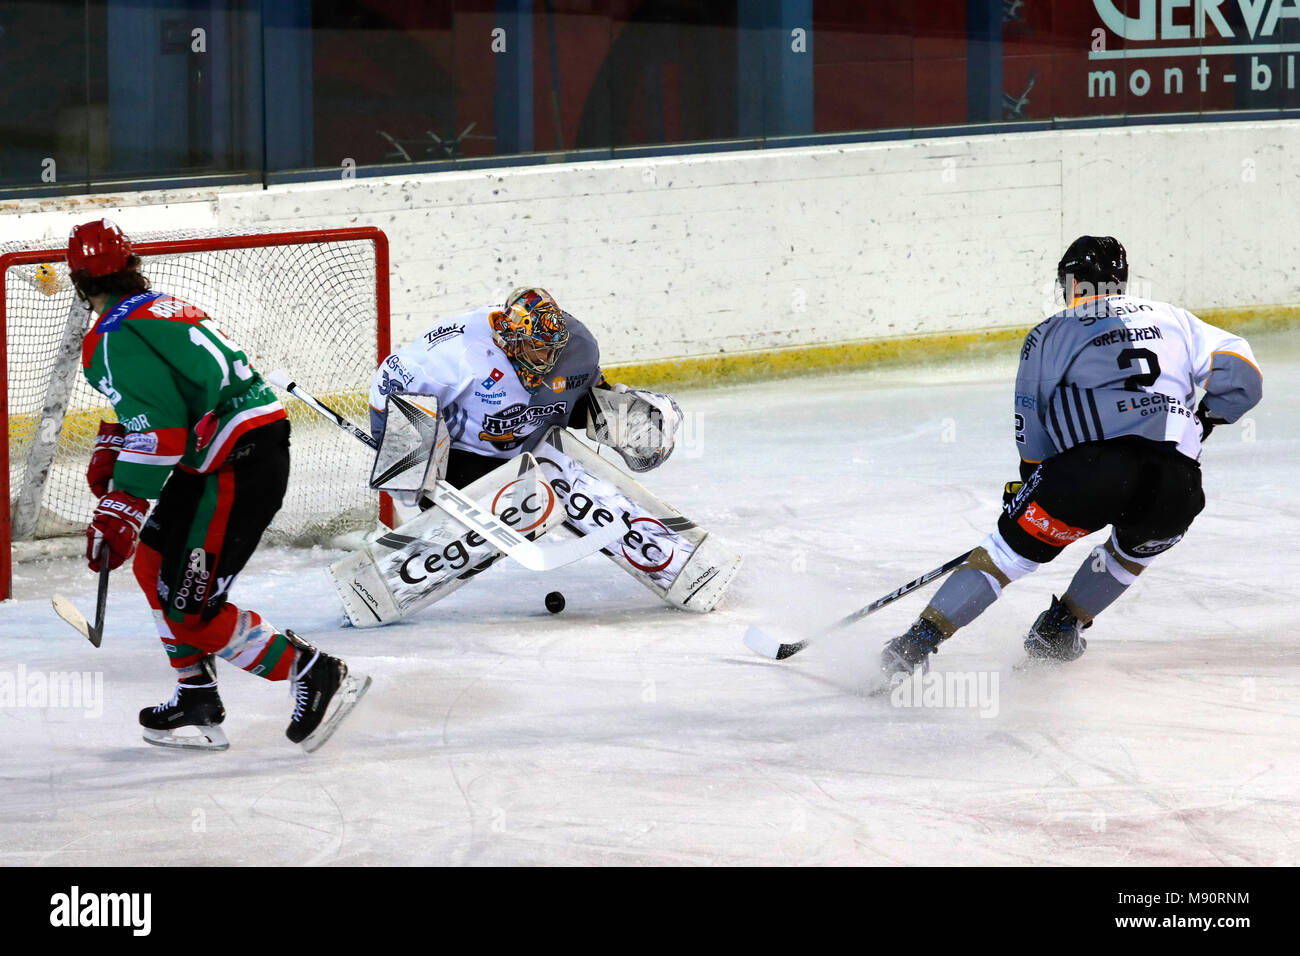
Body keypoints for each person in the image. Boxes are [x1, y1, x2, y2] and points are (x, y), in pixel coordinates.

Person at [881, 235, 1263, 675]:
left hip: (1087, 475)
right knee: (1129, 554)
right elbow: (1244, 375)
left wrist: (1030, 479)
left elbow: (1031, 420)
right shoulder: (1175, 319)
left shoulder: (1052, 331)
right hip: (1176, 483)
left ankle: (911, 649)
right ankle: (1060, 629)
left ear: (1072, 280)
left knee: (1004, 557)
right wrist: (1207, 419)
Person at [71, 218, 369, 752]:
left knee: (192, 612)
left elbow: (163, 430)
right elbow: (165, 401)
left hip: (235, 466)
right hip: (226, 454)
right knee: (152, 564)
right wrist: (115, 441)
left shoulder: (109, 337)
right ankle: (197, 696)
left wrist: (123, 502)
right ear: (134, 267)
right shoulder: (157, 307)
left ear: (78, 282)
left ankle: (310, 669)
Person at [369, 286, 681, 490]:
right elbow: (391, 381)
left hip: (535, 448)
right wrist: (404, 458)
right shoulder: (457, 351)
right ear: (512, 338)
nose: (549, 357)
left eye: (553, 348)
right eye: (537, 348)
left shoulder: (578, 345)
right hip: (463, 455)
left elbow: (579, 394)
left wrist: (622, 415)